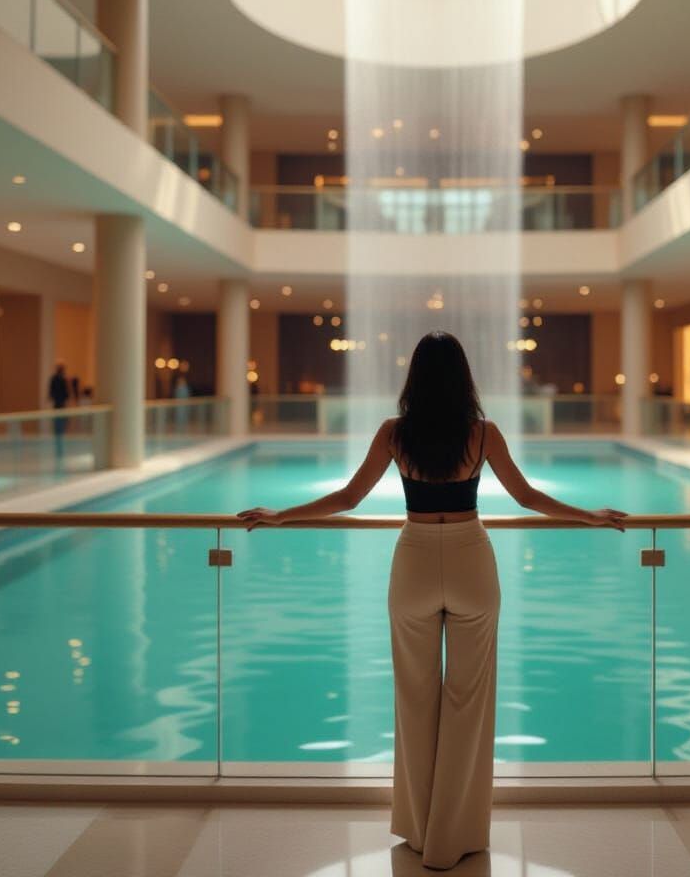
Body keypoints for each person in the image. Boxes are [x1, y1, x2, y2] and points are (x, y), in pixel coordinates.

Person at [238, 332, 627, 871]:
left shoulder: (395, 434)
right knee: (468, 703)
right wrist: (591, 515)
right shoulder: (482, 434)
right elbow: (528, 498)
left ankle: (420, 834)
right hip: (470, 559)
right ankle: (452, 839)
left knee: (415, 700)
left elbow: (348, 499)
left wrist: (280, 514)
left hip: (415, 562)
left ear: (414, 378)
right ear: (464, 377)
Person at [47, 362, 70, 458]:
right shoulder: (56, 379)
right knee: (58, 427)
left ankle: (60, 447)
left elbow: (66, 393)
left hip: (61, 406)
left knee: (61, 427)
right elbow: (52, 392)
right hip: (58, 405)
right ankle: (58, 448)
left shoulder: (63, 379)